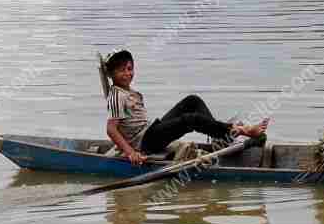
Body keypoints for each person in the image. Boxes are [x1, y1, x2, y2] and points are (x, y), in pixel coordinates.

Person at [103, 50, 269, 166]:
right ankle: (241, 131)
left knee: (192, 101)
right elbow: (111, 129)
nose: (127, 74)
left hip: (150, 132)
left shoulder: (128, 91)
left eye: (129, 69)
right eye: (121, 71)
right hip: (144, 143)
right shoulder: (116, 96)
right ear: (111, 75)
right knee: (191, 120)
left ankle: (220, 135)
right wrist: (131, 153)